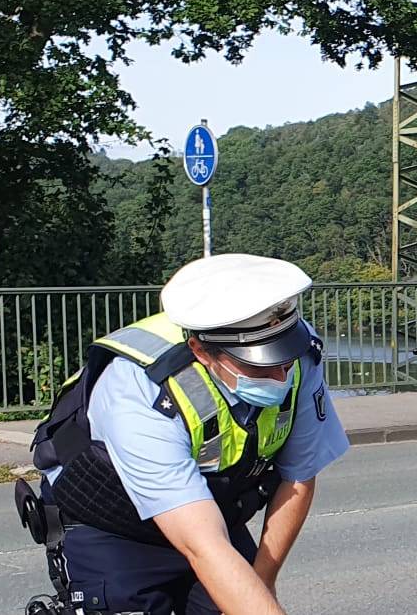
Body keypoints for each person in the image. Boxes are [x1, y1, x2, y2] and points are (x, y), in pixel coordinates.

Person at [27, 254, 348, 615]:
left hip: (210, 514)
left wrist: (263, 581)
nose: (280, 375)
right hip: (113, 527)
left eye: (284, 359)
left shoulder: (295, 349)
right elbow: (203, 547)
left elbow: (298, 477)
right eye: (258, 365)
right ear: (202, 352)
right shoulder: (140, 391)